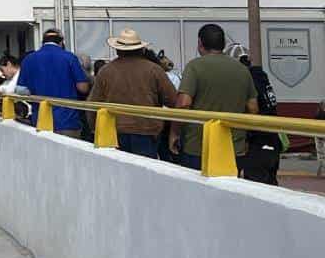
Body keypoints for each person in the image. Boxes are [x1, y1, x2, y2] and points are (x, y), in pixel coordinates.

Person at [170, 23, 258, 171]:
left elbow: (184, 103)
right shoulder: (243, 70)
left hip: (198, 146)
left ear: (200, 43)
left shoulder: (194, 67)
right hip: (234, 146)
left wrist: (174, 133)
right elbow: (253, 108)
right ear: (223, 44)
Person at [87, 29, 177, 159]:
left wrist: (94, 129)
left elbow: (93, 104)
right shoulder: (154, 70)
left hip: (115, 132)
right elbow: (172, 100)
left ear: (117, 50)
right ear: (141, 50)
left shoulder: (105, 71)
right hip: (147, 131)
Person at [17, 28, 90, 136]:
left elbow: (20, 90)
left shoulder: (29, 59)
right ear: (61, 42)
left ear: (43, 42)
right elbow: (83, 87)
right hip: (67, 120)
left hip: (40, 119)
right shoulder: (69, 57)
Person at [227, 43, 282, 185]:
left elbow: (253, 109)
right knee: (271, 185)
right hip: (273, 140)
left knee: (257, 187)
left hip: (258, 142)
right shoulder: (261, 76)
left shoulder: (246, 78)